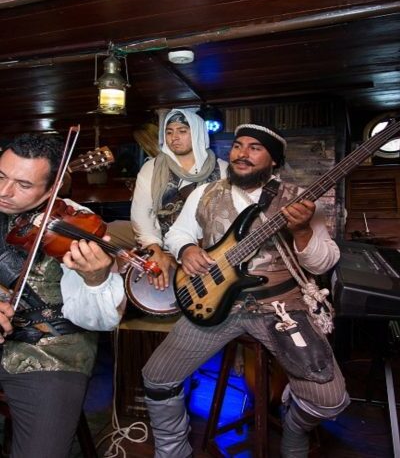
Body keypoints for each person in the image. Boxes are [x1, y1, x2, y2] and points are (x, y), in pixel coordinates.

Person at [142, 123, 350, 458]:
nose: (242, 153)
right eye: (238, 146)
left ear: (274, 162)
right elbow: (178, 233)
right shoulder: (205, 192)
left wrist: (301, 233)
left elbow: (322, 264)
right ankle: (172, 449)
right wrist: (186, 250)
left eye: (255, 148)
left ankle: (294, 428)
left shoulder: (300, 202)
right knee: (156, 378)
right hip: (213, 302)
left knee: (329, 402)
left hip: (279, 306)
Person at [0, 134, 125, 458]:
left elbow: (98, 320)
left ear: (52, 187)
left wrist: (96, 278)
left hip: (49, 349)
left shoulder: (74, 224)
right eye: (0, 176)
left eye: (23, 185)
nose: (4, 191)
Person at [131, 108, 228, 290]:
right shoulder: (151, 168)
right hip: (165, 247)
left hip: (212, 253)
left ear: (198, 133)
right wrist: (155, 250)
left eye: (182, 131)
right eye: (169, 132)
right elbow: (141, 214)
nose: (174, 137)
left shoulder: (223, 170)